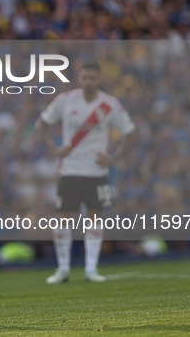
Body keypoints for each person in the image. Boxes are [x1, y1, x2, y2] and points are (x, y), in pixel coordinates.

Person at [35, 61, 138, 284]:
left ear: (98, 79)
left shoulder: (109, 105)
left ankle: (91, 269)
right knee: (62, 219)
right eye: (85, 77)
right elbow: (40, 124)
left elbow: (131, 133)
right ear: (79, 79)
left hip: (97, 171)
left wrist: (113, 158)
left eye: (92, 77)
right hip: (70, 168)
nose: (89, 81)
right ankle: (63, 269)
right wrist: (53, 147)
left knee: (95, 218)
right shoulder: (65, 101)